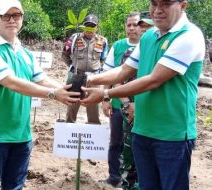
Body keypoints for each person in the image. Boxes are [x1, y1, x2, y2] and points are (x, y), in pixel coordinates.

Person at [81, 0, 205, 189]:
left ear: (183, 5)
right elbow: (123, 71)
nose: (157, 10)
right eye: (154, 3)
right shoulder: (149, 37)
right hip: (142, 130)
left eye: (165, 4)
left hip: (173, 136)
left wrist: (105, 94)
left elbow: (153, 80)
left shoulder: (189, 36)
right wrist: (89, 79)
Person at [0, 0, 80, 189]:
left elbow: (43, 79)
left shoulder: (26, 54)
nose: (11, 20)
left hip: (22, 136)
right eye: (6, 16)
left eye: (16, 15)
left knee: (15, 186)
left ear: (22, 19)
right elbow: (11, 82)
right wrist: (54, 94)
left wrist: (70, 91)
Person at [99, 12, 141, 188]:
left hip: (140, 107)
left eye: (135, 24)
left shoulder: (148, 45)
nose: (131, 28)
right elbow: (108, 74)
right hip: (118, 105)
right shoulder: (117, 46)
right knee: (116, 141)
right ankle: (114, 176)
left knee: (137, 144)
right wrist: (105, 98)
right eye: (128, 25)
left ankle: (135, 180)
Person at [62, 14, 108, 124]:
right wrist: (72, 66)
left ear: (97, 27)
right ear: (83, 26)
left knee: (93, 104)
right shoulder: (75, 38)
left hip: (94, 77)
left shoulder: (102, 41)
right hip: (76, 75)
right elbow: (64, 54)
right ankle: (69, 126)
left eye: (92, 26)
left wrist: (97, 71)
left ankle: (93, 128)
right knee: (73, 102)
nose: (89, 29)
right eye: (87, 25)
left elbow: (103, 59)